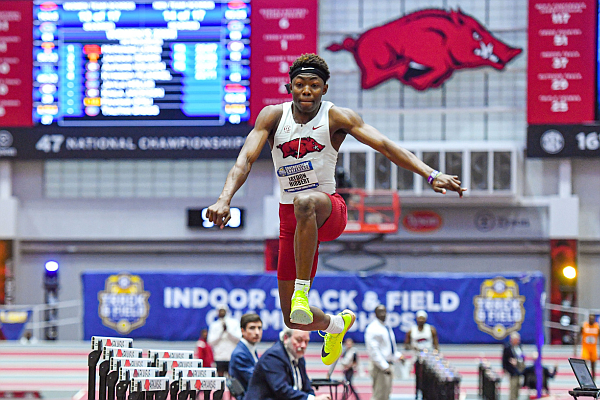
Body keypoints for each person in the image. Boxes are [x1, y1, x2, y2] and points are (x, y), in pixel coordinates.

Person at [207, 53, 466, 365]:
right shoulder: (272, 117)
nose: (306, 90)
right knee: (293, 319)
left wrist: (430, 173)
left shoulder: (336, 117)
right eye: (300, 84)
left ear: (324, 88)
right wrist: (225, 198)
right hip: (290, 220)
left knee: (305, 201)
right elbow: (245, 159)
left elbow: (385, 145)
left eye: (314, 85)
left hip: (328, 210)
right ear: (289, 86)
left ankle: (303, 291)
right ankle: (335, 325)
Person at [245, 327, 331, 400]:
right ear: (286, 338)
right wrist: (311, 399)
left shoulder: (298, 357)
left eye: (306, 341)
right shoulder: (273, 357)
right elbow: (281, 390)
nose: (303, 345)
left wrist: (313, 397)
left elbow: (306, 386)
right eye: (299, 340)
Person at [365, 304, 403, 400]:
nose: (383, 314)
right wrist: (384, 366)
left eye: (384, 311)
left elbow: (388, 347)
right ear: (375, 314)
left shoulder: (385, 326)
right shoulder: (373, 328)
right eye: (380, 312)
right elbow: (373, 350)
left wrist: (397, 356)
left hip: (388, 364)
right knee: (379, 395)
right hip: (380, 367)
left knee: (385, 395)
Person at [229, 313, 263, 399]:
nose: (257, 332)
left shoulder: (250, 349)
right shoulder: (240, 354)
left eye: (259, 328)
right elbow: (256, 380)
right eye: (252, 328)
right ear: (242, 331)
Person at [207, 304, 241, 377]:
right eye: (220, 311)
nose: (222, 312)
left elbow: (239, 339)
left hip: (231, 356)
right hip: (219, 356)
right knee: (220, 378)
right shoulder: (214, 325)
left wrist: (228, 331)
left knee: (232, 377)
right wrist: (221, 333)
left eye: (223, 311)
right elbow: (210, 341)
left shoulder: (234, 323)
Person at [502, 332, 525, 400]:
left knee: (518, 387)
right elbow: (504, 360)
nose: (518, 341)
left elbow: (522, 357)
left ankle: (516, 398)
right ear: (512, 340)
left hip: (519, 370)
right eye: (517, 339)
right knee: (513, 387)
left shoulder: (520, 347)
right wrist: (505, 369)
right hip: (512, 371)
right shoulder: (507, 348)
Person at [578, 314, 599, 379]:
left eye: (592, 319)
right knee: (584, 363)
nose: (591, 320)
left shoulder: (597, 327)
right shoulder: (584, 326)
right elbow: (578, 335)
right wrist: (575, 348)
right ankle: (585, 378)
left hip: (593, 348)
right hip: (585, 348)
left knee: (593, 365)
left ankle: (593, 379)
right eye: (590, 318)